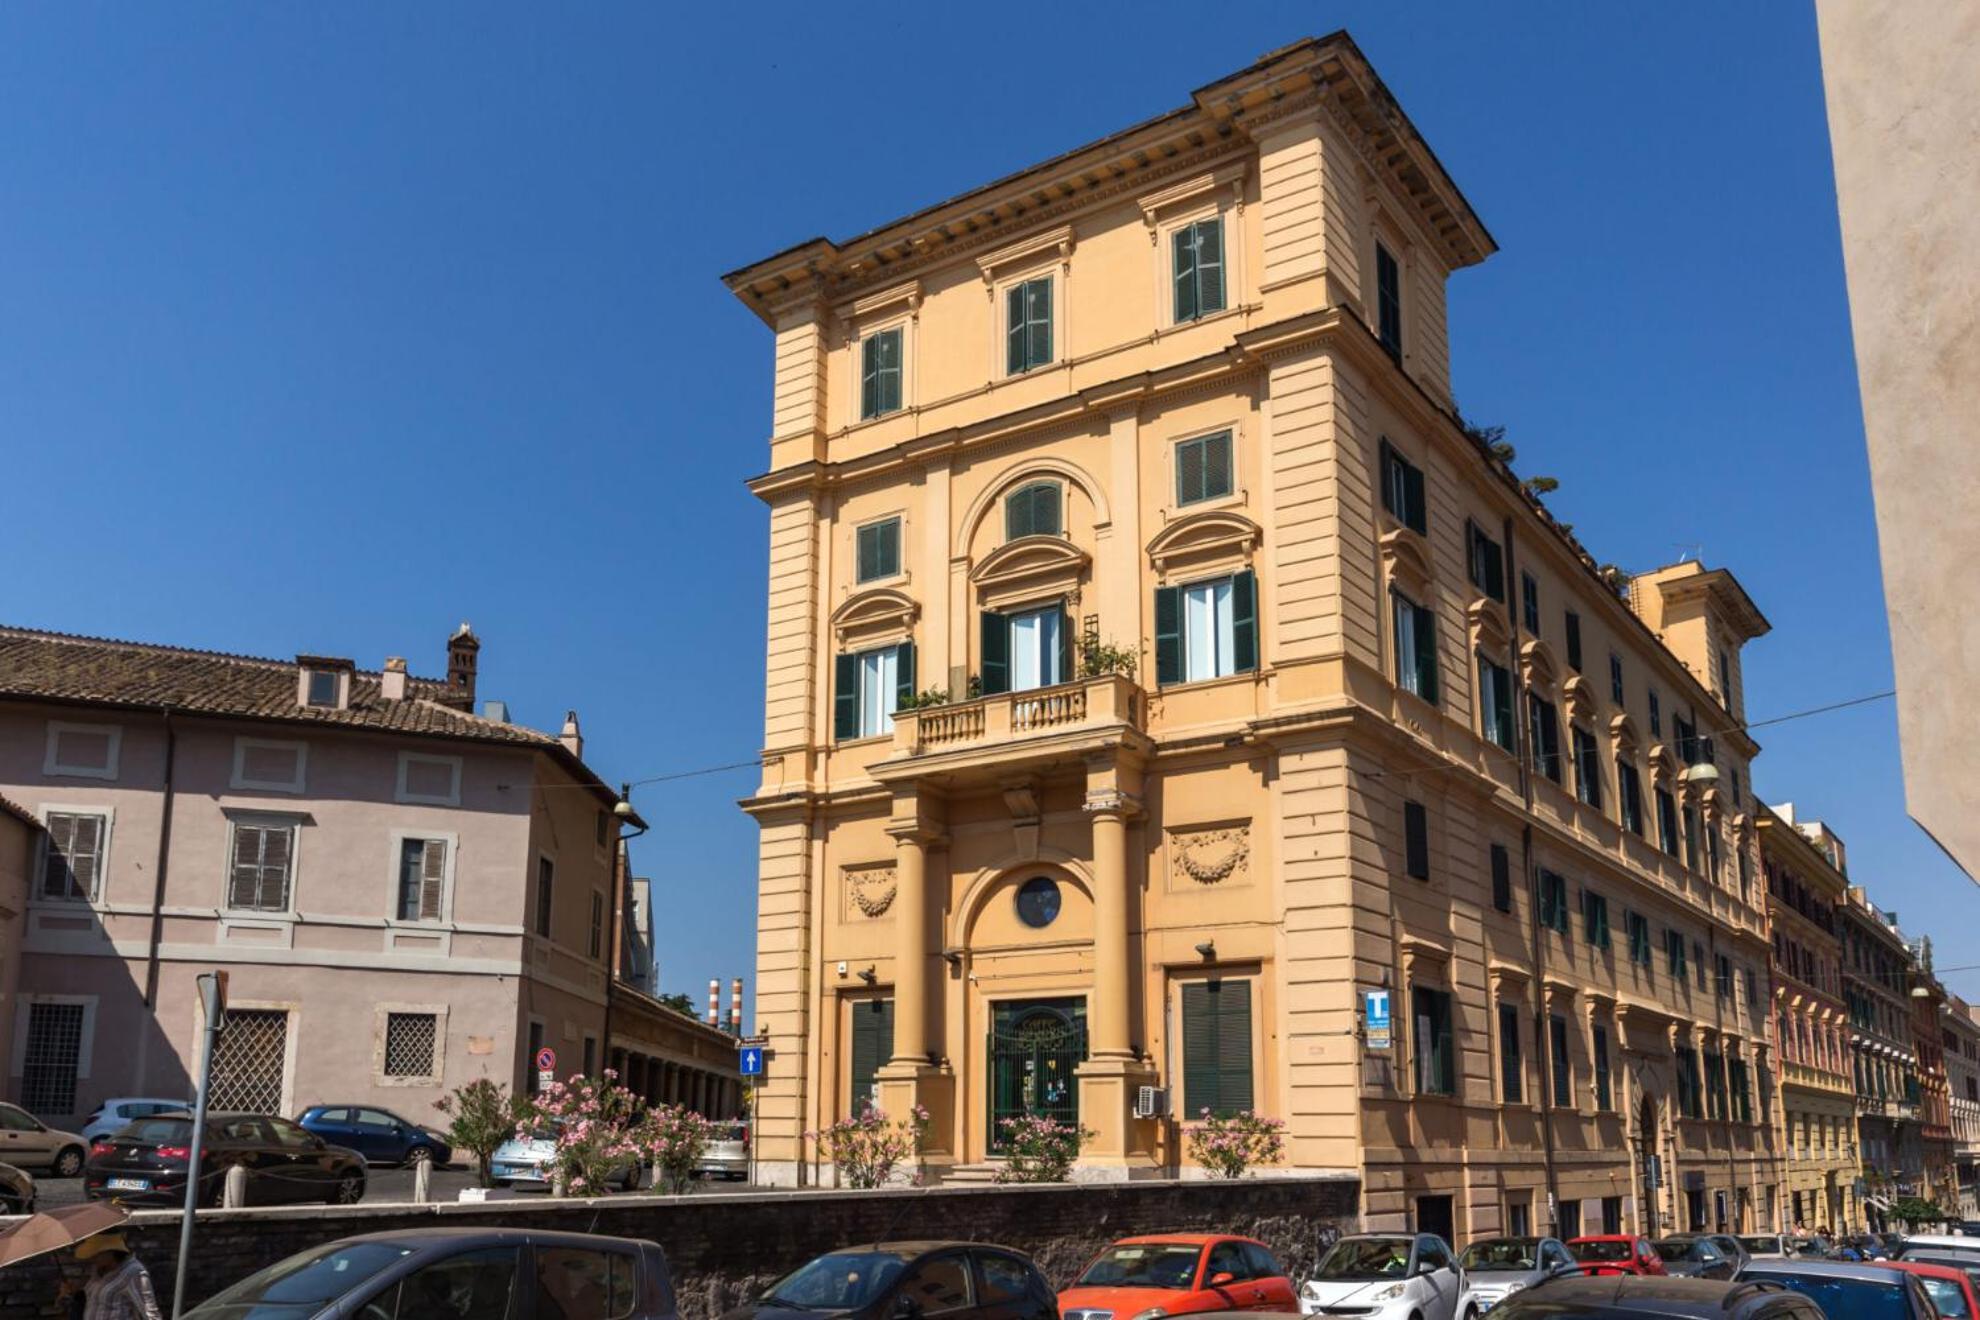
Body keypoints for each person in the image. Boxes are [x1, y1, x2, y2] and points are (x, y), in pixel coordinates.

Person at [60, 1233, 162, 1320]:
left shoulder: (133, 1272)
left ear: (111, 1252)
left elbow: (150, 1314)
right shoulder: (98, 1270)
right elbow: (95, 1299)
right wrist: (72, 1291)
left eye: (97, 1254)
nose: (92, 1258)